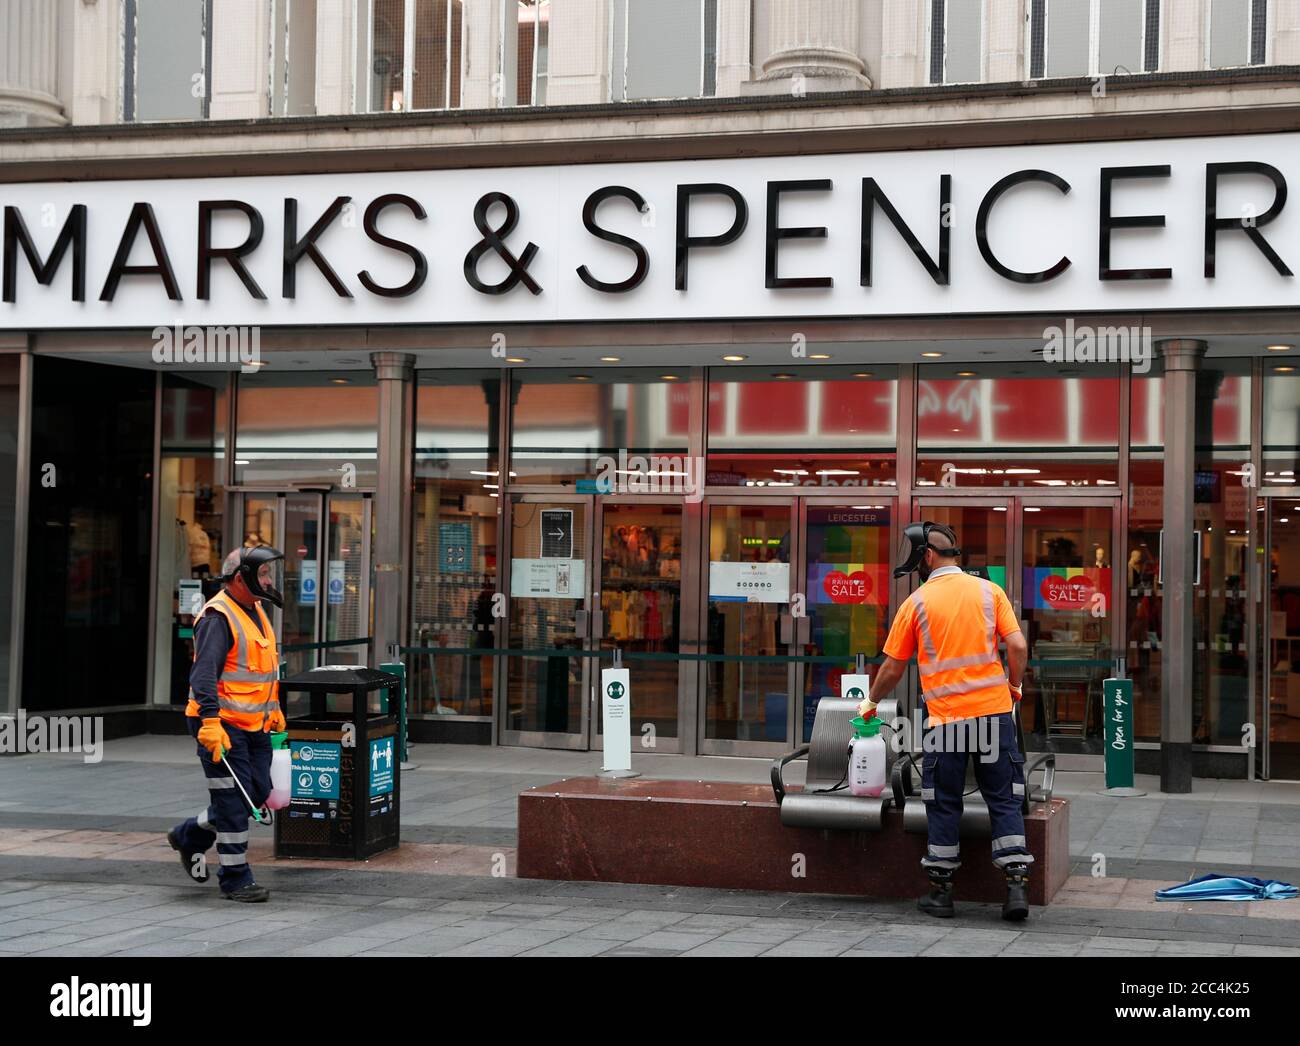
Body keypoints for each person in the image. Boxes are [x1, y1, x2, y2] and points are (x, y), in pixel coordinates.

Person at [863, 522, 1032, 921]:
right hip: (993, 715)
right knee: (1003, 798)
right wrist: (1014, 687)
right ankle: (1016, 890)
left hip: (945, 722)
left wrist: (870, 702)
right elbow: (1019, 645)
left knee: (943, 803)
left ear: (926, 556)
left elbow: (892, 667)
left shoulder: (918, 602)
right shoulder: (990, 592)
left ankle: (941, 893)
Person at [168, 545, 286, 902]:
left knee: (258, 793)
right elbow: (203, 676)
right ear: (241, 578)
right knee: (234, 804)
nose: (269, 580)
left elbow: (261, 670)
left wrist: (274, 708)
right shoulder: (218, 617)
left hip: (256, 725)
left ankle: (189, 835)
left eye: (269, 574)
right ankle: (235, 878)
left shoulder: (256, 610)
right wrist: (209, 721)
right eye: (263, 574)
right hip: (221, 726)